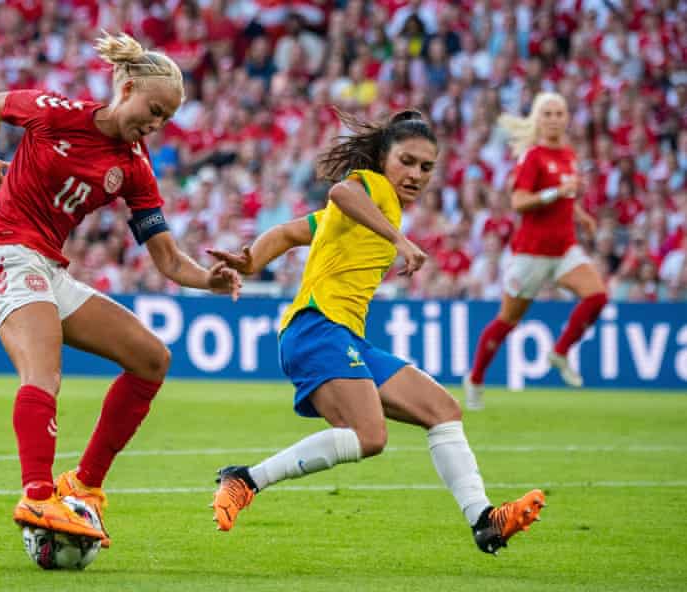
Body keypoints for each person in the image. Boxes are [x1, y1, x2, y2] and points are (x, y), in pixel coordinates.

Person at [207, 110, 545, 555]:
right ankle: (246, 480)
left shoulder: (366, 212)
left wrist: (252, 261)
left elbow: (291, 232)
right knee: (370, 437)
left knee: (442, 410)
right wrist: (399, 240)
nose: (416, 174)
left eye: (426, 167)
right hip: (317, 327)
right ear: (383, 159)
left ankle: (485, 520)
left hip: (345, 336)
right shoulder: (371, 188)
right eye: (407, 160)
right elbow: (341, 190)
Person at [0, 32, 241, 547]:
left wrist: (208, 279)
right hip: (4, 253)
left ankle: (85, 485)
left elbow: (166, 258)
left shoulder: (135, 168)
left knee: (150, 357)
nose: (156, 124)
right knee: (43, 373)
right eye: (153, 109)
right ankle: (37, 493)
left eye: (165, 119)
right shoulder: (57, 112)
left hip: (48, 266)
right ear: (128, 85)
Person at [463, 92, 608, 410]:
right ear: (539, 120)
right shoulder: (532, 156)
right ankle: (475, 378)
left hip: (564, 249)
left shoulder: (569, 154)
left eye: (560, 113)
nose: (555, 119)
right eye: (548, 114)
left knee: (598, 296)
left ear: (567, 118)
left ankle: (560, 352)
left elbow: (565, 198)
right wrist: (557, 192)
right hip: (530, 253)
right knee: (507, 320)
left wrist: (580, 215)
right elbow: (519, 202)